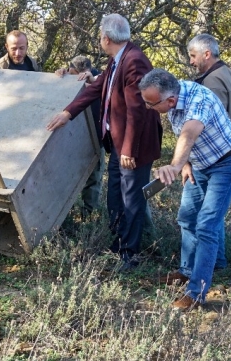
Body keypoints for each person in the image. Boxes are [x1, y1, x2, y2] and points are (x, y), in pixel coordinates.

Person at [47, 14, 162, 271]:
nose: (100, 40)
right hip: (118, 142)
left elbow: (138, 110)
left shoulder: (135, 62)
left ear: (106, 38)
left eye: (100, 36)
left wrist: (129, 149)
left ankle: (130, 254)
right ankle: (118, 243)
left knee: (131, 198)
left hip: (135, 146)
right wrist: (68, 113)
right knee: (115, 195)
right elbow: (97, 88)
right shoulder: (116, 60)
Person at [139, 68, 231, 311]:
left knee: (207, 224)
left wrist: (175, 165)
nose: (148, 107)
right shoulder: (172, 96)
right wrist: (186, 163)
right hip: (199, 164)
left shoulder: (200, 100)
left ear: (170, 100)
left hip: (228, 162)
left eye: (150, 103)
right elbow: (183, 136)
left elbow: (189, 133)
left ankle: (197, 293)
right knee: (187, 216)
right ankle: (190, 269)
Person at [187, 33, 231, 269]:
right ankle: (218, 263)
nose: (191, 62)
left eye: (193, 56)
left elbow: (205, 126)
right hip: (229, 150)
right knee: (214, 214)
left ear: (206, 54)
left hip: (217, 158)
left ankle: (205, 268)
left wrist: (186, 159)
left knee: (207, 219)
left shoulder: (212, 82)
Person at [56, 56, 105, 217]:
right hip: (69, 137)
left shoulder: (101, 81)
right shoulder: (67, 75)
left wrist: (92, 82)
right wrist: (61, 76)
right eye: (71, 73)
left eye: (75, 75)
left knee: (94, 178)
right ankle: (64, 215)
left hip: (95, 139)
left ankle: (88, 215)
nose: (73, 78)